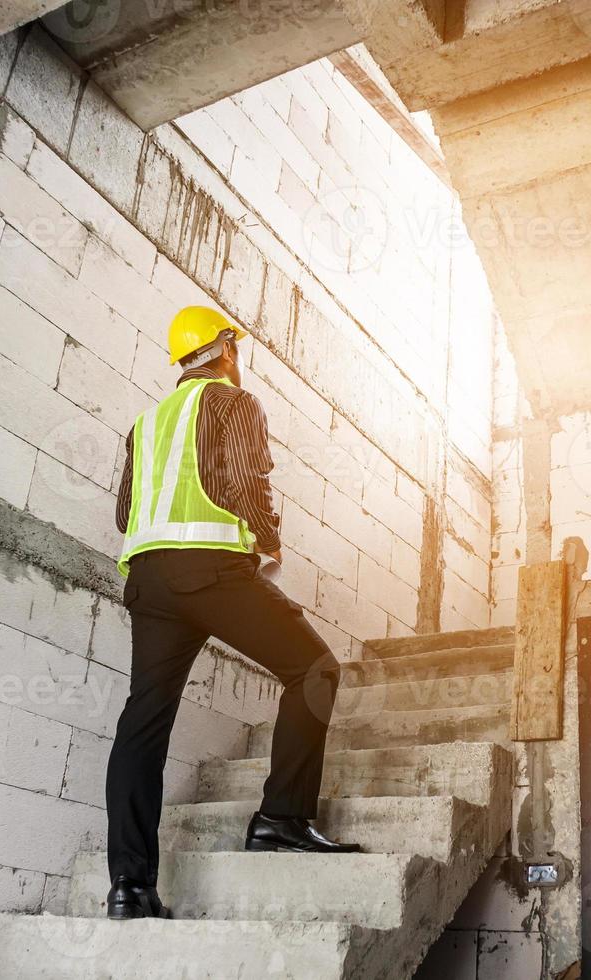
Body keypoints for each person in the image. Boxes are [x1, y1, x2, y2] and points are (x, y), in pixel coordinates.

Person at [104, 305, 359, 921]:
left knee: (143, 725)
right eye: (235, 350)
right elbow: (248, 480)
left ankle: (130, 888)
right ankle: (282, 818)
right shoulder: (231, 402)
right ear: (225, 349)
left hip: (148, 582)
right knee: (315, 671)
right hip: (211, 573)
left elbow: (125, 515)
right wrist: (268, 541)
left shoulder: (146, 423)